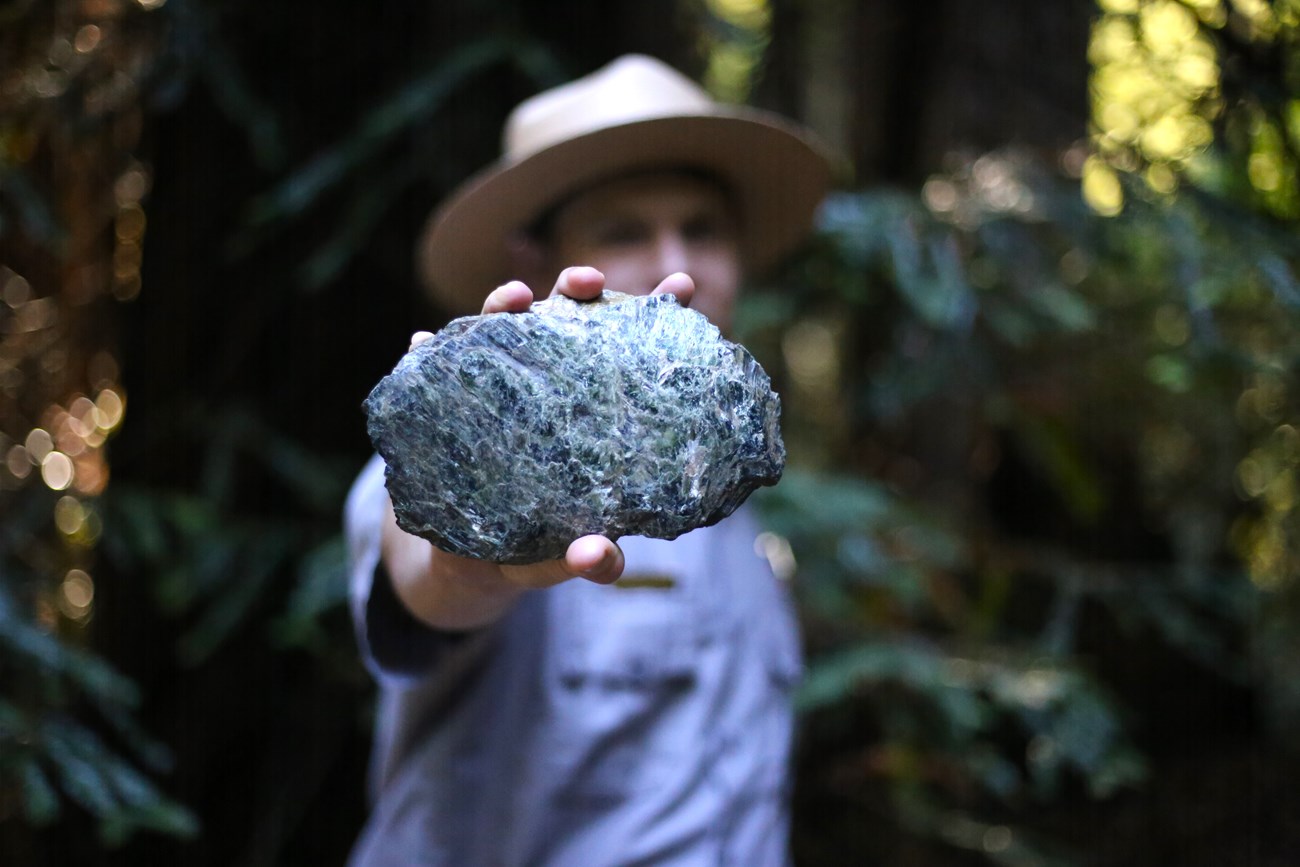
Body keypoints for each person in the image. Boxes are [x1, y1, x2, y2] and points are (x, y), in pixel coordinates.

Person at [345, 54, 833, 866]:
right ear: (539, 266)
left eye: (702, 228)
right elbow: (423, 578)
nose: (675, 264)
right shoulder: (475, 467)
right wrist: (467, 563)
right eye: (624, 230)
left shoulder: (731, 499)